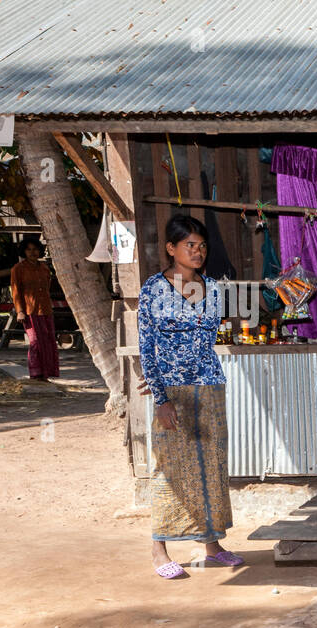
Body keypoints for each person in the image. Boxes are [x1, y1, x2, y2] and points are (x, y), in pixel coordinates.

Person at [137, 214, 244, 579]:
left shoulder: (213, 289)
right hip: (172, 392)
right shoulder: (153, 289)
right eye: (189, 245)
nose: (198, 251)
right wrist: (160, 397)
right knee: (169, 468)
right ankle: (158, 548)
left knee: (211, 466)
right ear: (171, 249)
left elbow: (210, 339)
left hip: (209, 386)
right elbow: (146, 347)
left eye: (201, 245)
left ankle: (212, 545)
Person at [9, 238, 59, 380]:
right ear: (24, 251)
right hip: (29, 312)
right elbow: (16, 291)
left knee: (48, 342)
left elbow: (47, 288)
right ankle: (36, 374)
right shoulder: (18, 269)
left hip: (46, 310)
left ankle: (46, 374)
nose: (32, 252)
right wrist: (20, 311)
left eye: (35, 249)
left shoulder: (44, 268)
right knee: (35, 342)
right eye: (29, 250)